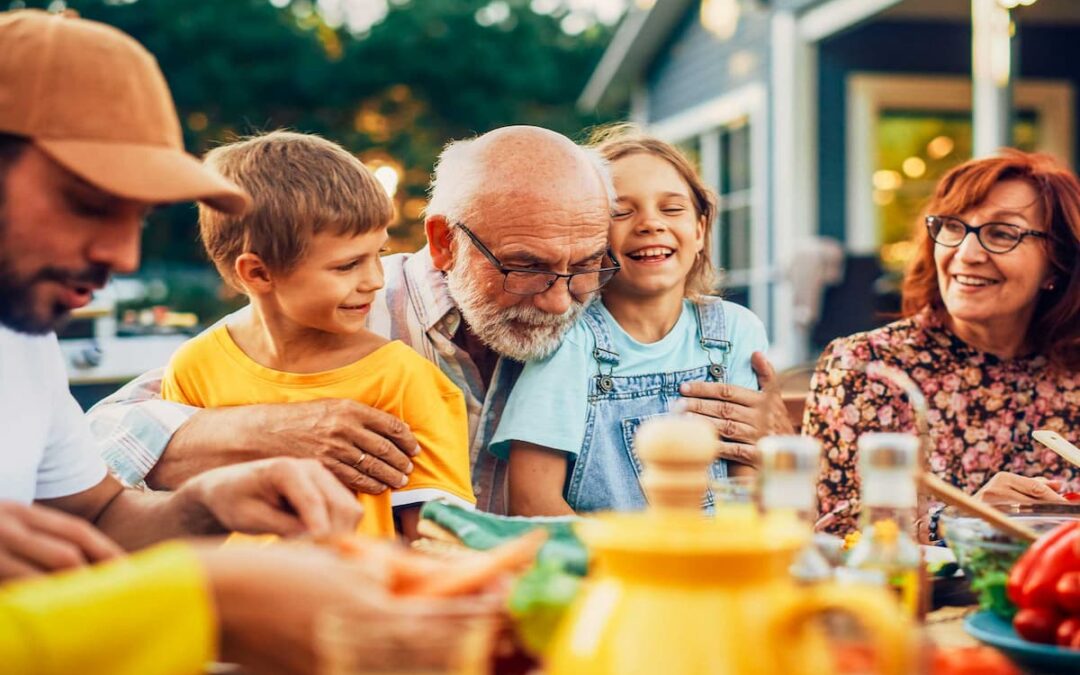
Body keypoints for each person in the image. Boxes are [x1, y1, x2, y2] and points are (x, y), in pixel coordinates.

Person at [89, 124, 794, 513]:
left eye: (585, 265)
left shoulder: (603, 323)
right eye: (525, 266)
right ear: (442, 241)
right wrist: (257, 426)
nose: (559, 298)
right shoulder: (358, 311)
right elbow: (98, 444)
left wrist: (774, 444)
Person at [0, 10, 397, 674]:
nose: (123, 256)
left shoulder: (24, 336)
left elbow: (95, 516)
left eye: (139, 218)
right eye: (90, 203)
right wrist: (215, 595)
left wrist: (206, 502)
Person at [161, 131, 474, 539]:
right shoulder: (193, 368)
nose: (375, 280)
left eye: (378, 254)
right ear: (258, 273)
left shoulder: (404, 379)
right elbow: (178, 516)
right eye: (347, 266)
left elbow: (436, 544)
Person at [490, 127, 769, 515]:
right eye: (621, 212)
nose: (650, 224)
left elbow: (746, 478)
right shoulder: (570, 341)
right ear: (591, 234)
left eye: (671, 209)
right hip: (610, 566)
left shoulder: (737, 331)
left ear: (700, 230)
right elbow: (532, 499)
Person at [806, 150, 1080, 537]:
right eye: (953, 227)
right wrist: (961, 521)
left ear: (1057, 264)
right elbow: (833, 532)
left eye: (1002, 233)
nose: (966, 255)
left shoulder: (1072, 374)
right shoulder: (866, 366)